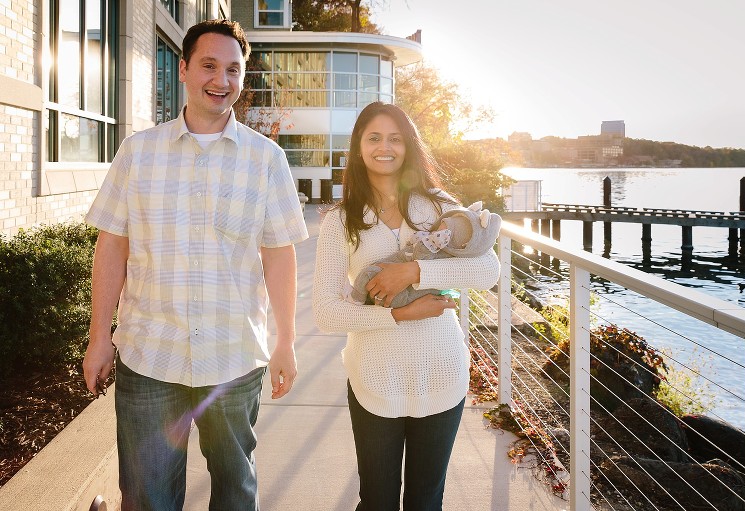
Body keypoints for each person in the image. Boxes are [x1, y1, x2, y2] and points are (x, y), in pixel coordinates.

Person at [82, 19, 308, 510]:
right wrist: (100, 335)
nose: (221, 80)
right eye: (209, 65)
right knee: (146, 497)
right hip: (150, 358)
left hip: (233, 359)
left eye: (233, 69)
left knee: (235, 492)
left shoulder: (266, 160)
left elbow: (279, 254)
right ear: (183, 69)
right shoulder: (138, 153)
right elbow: (112, 247)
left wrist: (286, 341)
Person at [312, 102, 500, 510]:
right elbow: (326, 311)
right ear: (359, 148)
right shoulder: (340, 221)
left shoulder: (437, 205)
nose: (385, 147)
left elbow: (487, 269)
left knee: (426, 501)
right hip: (375, 378)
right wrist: (397, 314)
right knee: (376, 501)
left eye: (395, 138)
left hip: (441, 372)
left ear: (409, 146)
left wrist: (414, 272)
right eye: (374, 138)